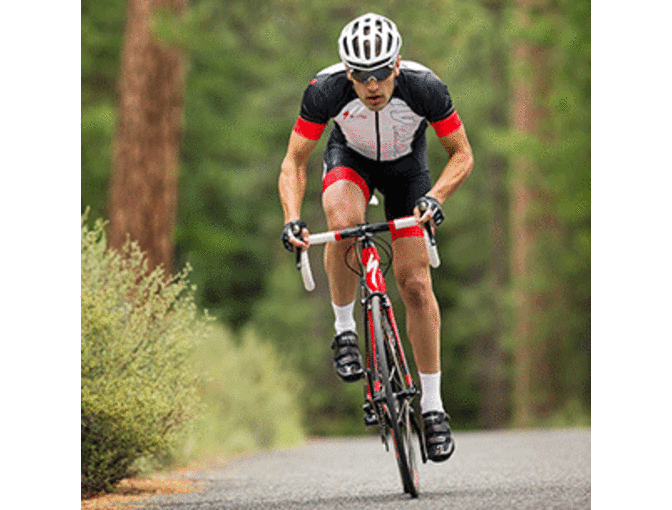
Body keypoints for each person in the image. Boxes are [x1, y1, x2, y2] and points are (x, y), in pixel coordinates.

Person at [278, 12, 473, 462]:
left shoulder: (425, 87)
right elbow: (294, 162)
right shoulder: (324, 90)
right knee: (344, 223)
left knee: (415, 284)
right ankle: (345, 330)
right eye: (361, 74)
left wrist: (436, 197)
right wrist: (292, 218)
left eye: (382, 72)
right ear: (347, 71)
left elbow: (462, 154)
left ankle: (433, 407)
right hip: (351, 161)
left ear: (397, 64)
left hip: (408, 172)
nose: (372, 84)